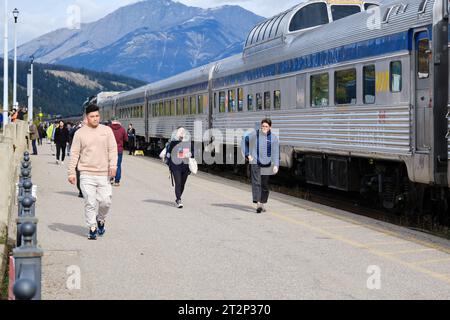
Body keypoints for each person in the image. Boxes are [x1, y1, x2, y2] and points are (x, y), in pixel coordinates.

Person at [68, 104, 118, 240]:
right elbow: (74, 154)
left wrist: (113, 166)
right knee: (90, 201)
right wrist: (71, 172)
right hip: (86, 174)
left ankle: (100, 219)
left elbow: (113, 150)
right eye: (92, 116)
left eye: (97, 116)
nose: (95, 119)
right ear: (87, 117)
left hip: (103, 174)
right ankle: (92, 227)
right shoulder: (80, 133)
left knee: (106, 202)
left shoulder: (107, 131)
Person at [242, 119, 280, 214]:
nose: (264, 128)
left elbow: (275, 152)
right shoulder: (255, 134)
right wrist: (247, 154)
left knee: (265, 185)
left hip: (267, 164)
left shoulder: (274, 138)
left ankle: (262, 202)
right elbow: (244, 141)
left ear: (270, 127)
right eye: (263, 126)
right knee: (256, 183)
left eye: (266, 126)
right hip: (255, 162)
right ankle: (258, 203)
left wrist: (276, 165)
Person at [166, 127, 193, 209]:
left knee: (182, 184)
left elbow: (193, 154)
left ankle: (178, 197)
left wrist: (190, 154)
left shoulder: (188, 143)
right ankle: (178, 200)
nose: (181, 134)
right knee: (178, 183)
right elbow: (169, 155)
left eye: (183, 132)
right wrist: (170, 164)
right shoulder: (173, 143)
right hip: (176, 166)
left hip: (185, 166)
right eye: (180, 132)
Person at [110, 118, 128, 186]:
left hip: (110, 150)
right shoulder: (122, 129)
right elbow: (126, 139)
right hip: (119, 150)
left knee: (110, 164)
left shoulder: (109, 128)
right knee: (118, 165)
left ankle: (111, 178)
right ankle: (117, 181)